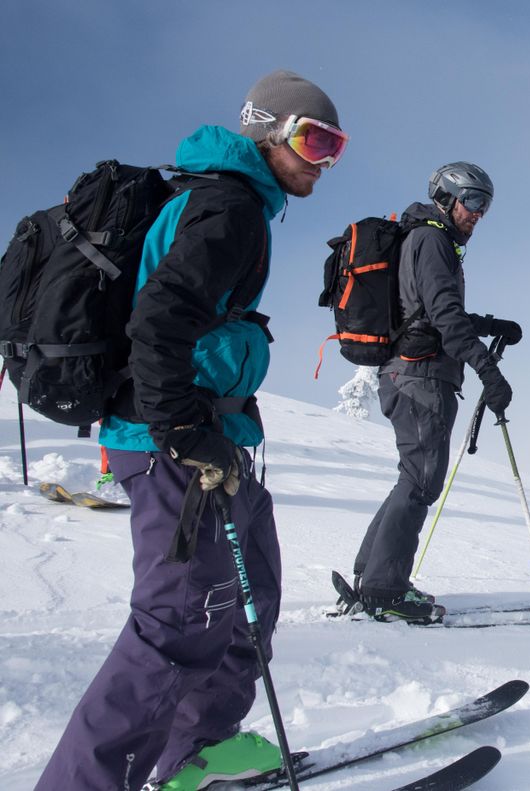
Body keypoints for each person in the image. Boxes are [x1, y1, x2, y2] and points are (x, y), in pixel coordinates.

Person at [35, 70, 348, 791]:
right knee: (176, 623)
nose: (321, 161)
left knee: (251, 596)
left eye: (335, 146)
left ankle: (195, 749)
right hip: (170, 441)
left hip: (210, 435)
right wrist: (181, 426)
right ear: (266, 130)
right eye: (311, 139)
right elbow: (158, 321)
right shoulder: (227, 206)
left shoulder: (235, 204)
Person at [345, 161, 520, 623]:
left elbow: (429, 311)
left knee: (413, 477)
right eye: (474, 201)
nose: (479, 214)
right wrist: (487, 370)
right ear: (447, 197)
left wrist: (489, 325)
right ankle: (384, 589)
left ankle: (371, 576)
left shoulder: (424, 239)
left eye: (487, 205)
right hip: (420, 377)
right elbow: (443, 316)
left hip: (409, 373)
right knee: (421, 481)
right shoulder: (432, 240)